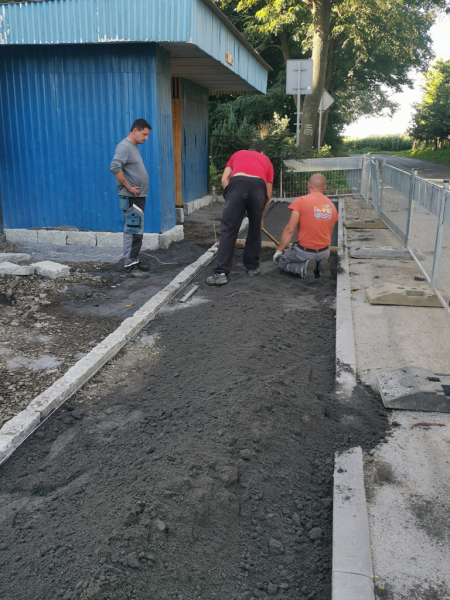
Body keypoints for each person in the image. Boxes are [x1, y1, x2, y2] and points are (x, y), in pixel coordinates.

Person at [206, 143, 274, 286]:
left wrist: (233, 198)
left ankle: (221, 273)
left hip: (237, 184)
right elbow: (267, 195)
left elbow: (224, 179)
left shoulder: (238, 154)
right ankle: (252, 267)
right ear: (262, 152)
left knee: (229, 229)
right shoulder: (266, 160)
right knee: (255, 230)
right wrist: (260, 218)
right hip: (258, 188)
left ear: (249, 150)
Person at [273, 174, 338, 278]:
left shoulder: (301, 201)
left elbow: (290, 230)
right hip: (324, 252)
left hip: (304, 252)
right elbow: (329, 232)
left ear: (308, 185)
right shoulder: (332, 206)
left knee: (283, 262)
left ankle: (303, 268)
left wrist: (279, 251)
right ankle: (319, 267)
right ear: (324, 187)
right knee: (318, 258)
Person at [110, 119, 152, 276]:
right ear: (135, 130)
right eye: (144, 134)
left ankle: (134, 260)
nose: (146, 138)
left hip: (138, 196)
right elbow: (114, 166)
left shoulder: (132, 147)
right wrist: (128, 186)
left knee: (137, 230)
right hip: (130, 196)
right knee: (132, 229)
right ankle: (129, 266)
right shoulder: (124, 147)